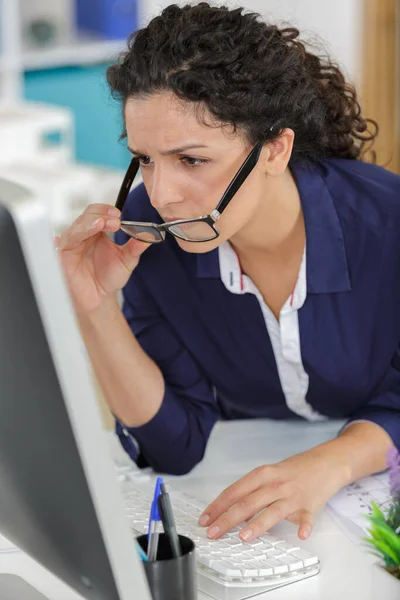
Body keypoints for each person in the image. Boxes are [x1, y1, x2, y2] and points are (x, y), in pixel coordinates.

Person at [57, 2, 400, 544]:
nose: (163, 194)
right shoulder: (149, 232)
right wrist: (92, 306)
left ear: (274, 149)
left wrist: (331, 462)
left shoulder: (387, 225)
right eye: (145, 158)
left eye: (191, 160)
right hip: (248, 496)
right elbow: (175, 444)